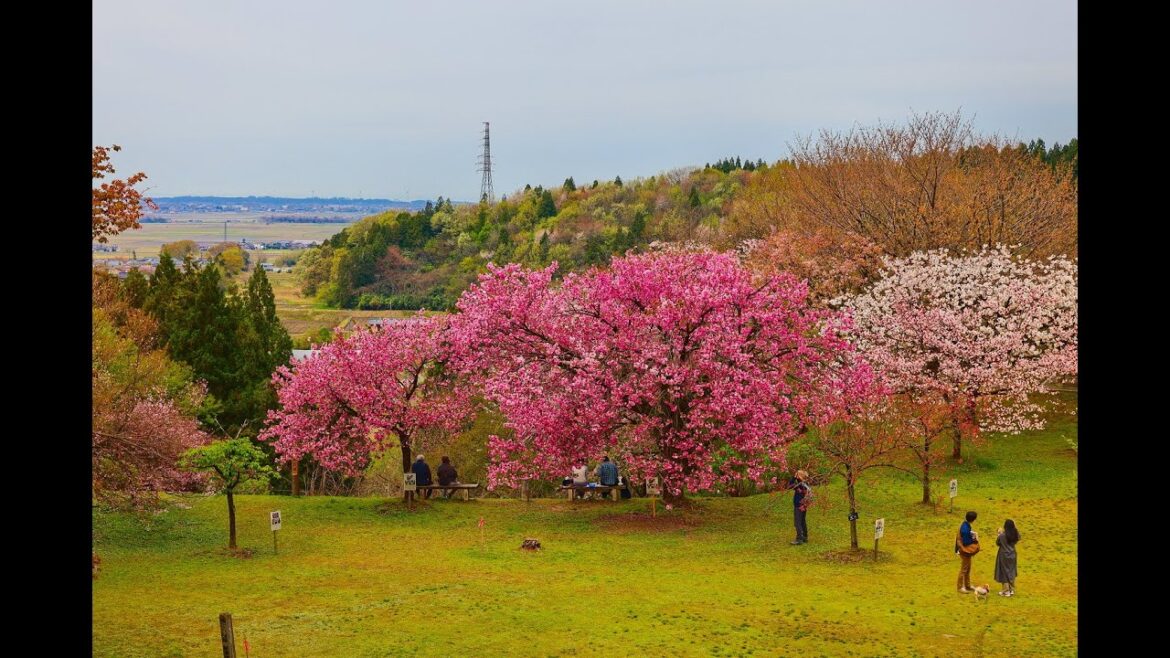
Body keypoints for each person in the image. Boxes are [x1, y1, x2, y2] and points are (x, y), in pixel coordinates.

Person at [995, 519, 1020, 597]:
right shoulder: (1015, 534)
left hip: (1004, 555)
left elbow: (998, 543)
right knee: (1011, 571)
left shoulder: (1002, 536)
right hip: (1012, 554)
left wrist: (999, 534)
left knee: (1004, 572)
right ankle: (1011, 589)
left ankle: (1006, 591)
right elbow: (1018, 537)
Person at [955, 511, 979, 593]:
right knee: (964, 569)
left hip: (965, 551)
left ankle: (967, 585)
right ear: (973, 519)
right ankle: (960, 587)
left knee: (968, 568)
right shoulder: (965, 528)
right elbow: (965, 542)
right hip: (964, 551)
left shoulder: (965, 524)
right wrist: (974, 539)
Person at [787, 470, 811, 545]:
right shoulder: (805, 484)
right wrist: (797, 478)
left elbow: (790, 485)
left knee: (797, 522)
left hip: (799, 505)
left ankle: (799, 539)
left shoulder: (800, 484)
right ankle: (805, 537)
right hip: (804, 505)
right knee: (802, 521)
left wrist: (794, 477)